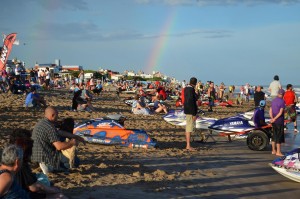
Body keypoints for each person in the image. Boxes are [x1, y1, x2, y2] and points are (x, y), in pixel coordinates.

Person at [9, 129, 68, 199]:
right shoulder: (20, 162)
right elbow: (34, 187)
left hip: (11, 193)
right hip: (21, 195)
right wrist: (53, 190)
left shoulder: (7, 157)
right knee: (60, 196)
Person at [31, 106, 83, 175]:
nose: (57, 118)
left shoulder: (41, 123)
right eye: (57, 115)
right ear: (52, 115)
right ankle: (50, 167)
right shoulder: (50, 127)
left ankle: (48, 165)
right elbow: (59, 146)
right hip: (46, 155)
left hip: (36, 155)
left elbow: (59, 132)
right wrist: (72, 142)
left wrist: (74, 136)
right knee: (75, 162)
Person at [269, 89, 285, 156]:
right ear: (283, 95)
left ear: (278, 93)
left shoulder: (273, 100)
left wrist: (272, 118)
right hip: (279, 121)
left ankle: (273, 150)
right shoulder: (282, 102)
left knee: (274, 136)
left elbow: (270, 110)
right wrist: (275, 119)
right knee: (279, 137)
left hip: (274, 121)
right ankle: (278, 152)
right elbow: (280, 112)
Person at [183, 77, 198, 151]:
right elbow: (191, 101)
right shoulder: (191, 89)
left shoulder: (186, 88)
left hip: (187, 109)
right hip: (190, 110)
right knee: (189, 127)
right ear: (195, 83)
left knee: (188, 127)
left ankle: (188, 145)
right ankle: (188, 145)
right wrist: (194, 113)